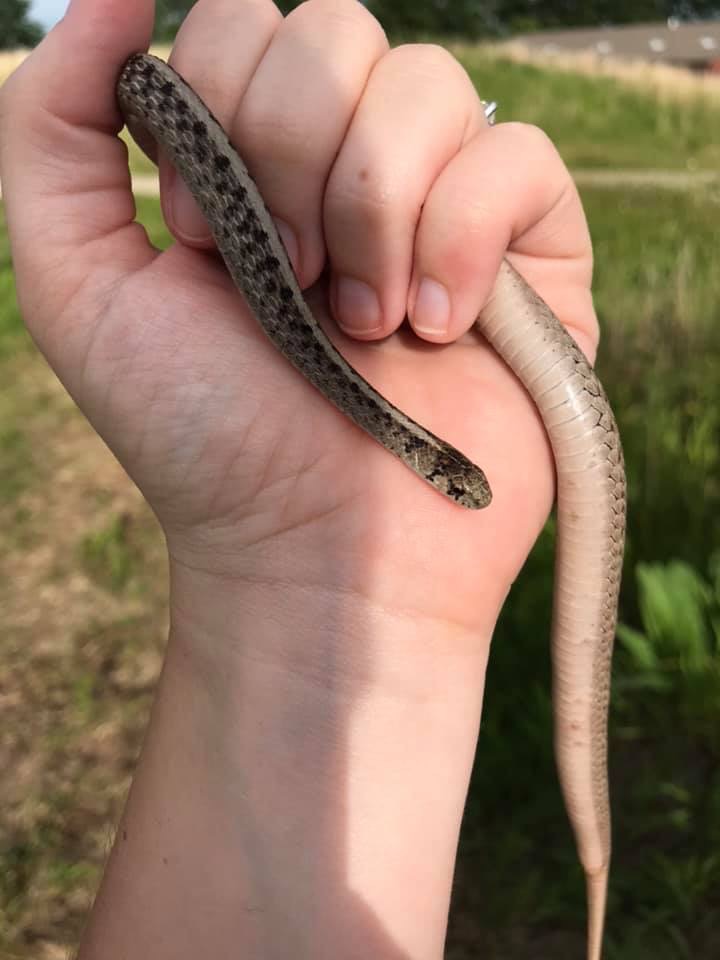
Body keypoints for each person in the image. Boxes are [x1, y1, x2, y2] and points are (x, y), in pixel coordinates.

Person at [0, 0, 599, 956]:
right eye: (452, 485)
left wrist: (379, 632)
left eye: (451, 485)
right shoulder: (372, 423)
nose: (457, 491)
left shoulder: (393, 434)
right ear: (427, 467)